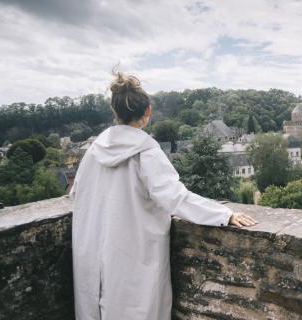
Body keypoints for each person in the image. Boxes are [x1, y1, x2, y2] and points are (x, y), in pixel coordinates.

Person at [70, 72, 257, 320]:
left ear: (115, 113)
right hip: (133, 252)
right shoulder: (146, 150)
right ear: (147, 112)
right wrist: (224, 214)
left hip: (93, 251)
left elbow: (76, 194)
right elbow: (176, 198)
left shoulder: (93, 150)